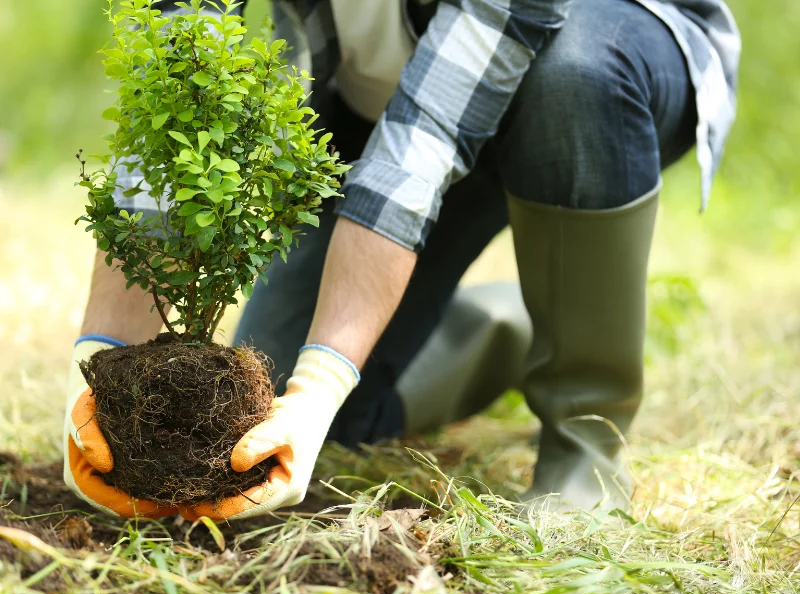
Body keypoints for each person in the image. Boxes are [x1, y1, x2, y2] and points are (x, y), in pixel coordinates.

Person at [64, 0, 740, 519]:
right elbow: (178, 80)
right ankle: (517, 325)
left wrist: (323, 380)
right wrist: (98, 367)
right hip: (383, 99)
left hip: (594, 60)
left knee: (573, 77)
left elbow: (423, 142)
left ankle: (584, 438)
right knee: (292, 413)